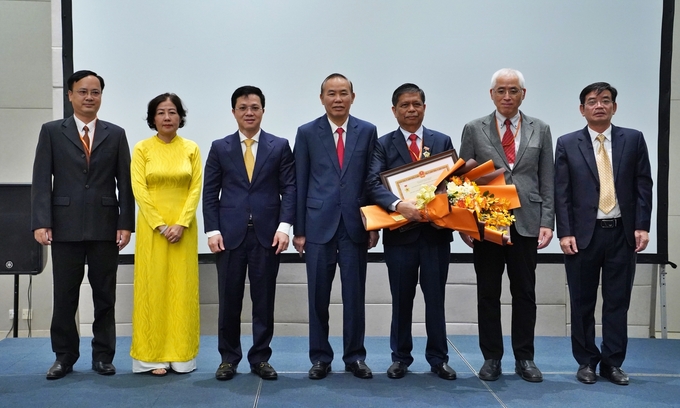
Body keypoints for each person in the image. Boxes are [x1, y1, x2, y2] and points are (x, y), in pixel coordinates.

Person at [31, 70, 135, 380]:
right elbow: (40, 179)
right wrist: (41, 221)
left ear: (101, 96)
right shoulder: (51, 131)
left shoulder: (115, 134)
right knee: (65, 295)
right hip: (64, 227)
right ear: (70, 95)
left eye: (95, 92)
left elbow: (125, 184)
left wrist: (126, 223)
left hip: (105, 227)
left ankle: (103, 356)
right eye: (83, 92)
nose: (89, 97)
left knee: (105, 295)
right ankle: (64, 356)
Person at [458, 68, 554, 383]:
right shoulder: (474, 129)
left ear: (523, 94)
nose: (507, 96)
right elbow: (462, 181)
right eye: (501, 90)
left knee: (525, 293)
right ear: (492, 94)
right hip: (488, 224)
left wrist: (547, 221)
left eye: (513, 90)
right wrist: (465, 223)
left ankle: (525, 358)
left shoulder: (541, 129)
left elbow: (547, 179)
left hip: (527, 222)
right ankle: (491, 358)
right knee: (488, 293)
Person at [554, 82, 652, 386]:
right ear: (582, 109)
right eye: (593, 101)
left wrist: (642, 225)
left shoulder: (633, 139)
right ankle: (586, 361)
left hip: (622, 233)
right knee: (582, 301)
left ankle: (612, 363)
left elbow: (643, 185)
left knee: (617, 302)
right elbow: (562, 192)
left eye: (606, 101)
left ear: (614, 107)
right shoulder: (567, 143)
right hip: (584, 236)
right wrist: (565, 231)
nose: (600, 105)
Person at [203, 86, 296, 381]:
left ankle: (260, 358)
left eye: (254, 107)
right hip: (229, 237)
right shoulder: (220, 147)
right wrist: (213, 229)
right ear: (233, 112)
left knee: (263, 301)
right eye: (242, 108)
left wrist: (285, 228)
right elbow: (209, 192)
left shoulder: (279, 146)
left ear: (263, 111)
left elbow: (290, 189)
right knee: (229, 301)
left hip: (268, 236)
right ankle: (228, 359)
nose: (249, 113)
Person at [366, 83, 457, 380]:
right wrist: (397, 204)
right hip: (400, 237)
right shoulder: (382, 144)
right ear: (394, 110)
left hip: (435, 235)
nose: (411, 110)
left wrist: (444, 203)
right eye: (404, 105)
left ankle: (438, 358)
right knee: (401, 300)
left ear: (424, 107)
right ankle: (400, 358)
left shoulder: (441, 140)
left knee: (435, 300)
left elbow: (453, 185)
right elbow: (373, 185)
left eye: (416, 104)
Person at [293, 73, 379, 380]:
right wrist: (299, 230)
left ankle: (355, 356)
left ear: (353, 97)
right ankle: (320, 357)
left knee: (355, 295)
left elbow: (372, 181)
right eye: (331, 93)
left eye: (343, 93)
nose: (338, 99)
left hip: (355, 226)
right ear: (322, 98)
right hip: (317, 226)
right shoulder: (306, 132)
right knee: (318, 295)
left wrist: (373, 223)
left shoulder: (367, 131)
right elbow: (299, 181)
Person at [129, 93, 202, 376]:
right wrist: (160, 224)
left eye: (172, 112)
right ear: (153, 118)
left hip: (184, 229)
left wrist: (181, 223)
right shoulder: (142, 149)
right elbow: (139, 189)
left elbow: (196, 189)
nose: (167, 117)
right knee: (153, 288)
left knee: (182, 290)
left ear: (180, 117)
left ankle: (182, 355)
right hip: (152, 230)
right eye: (161, 112)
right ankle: (152, 357)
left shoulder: (192, 148)